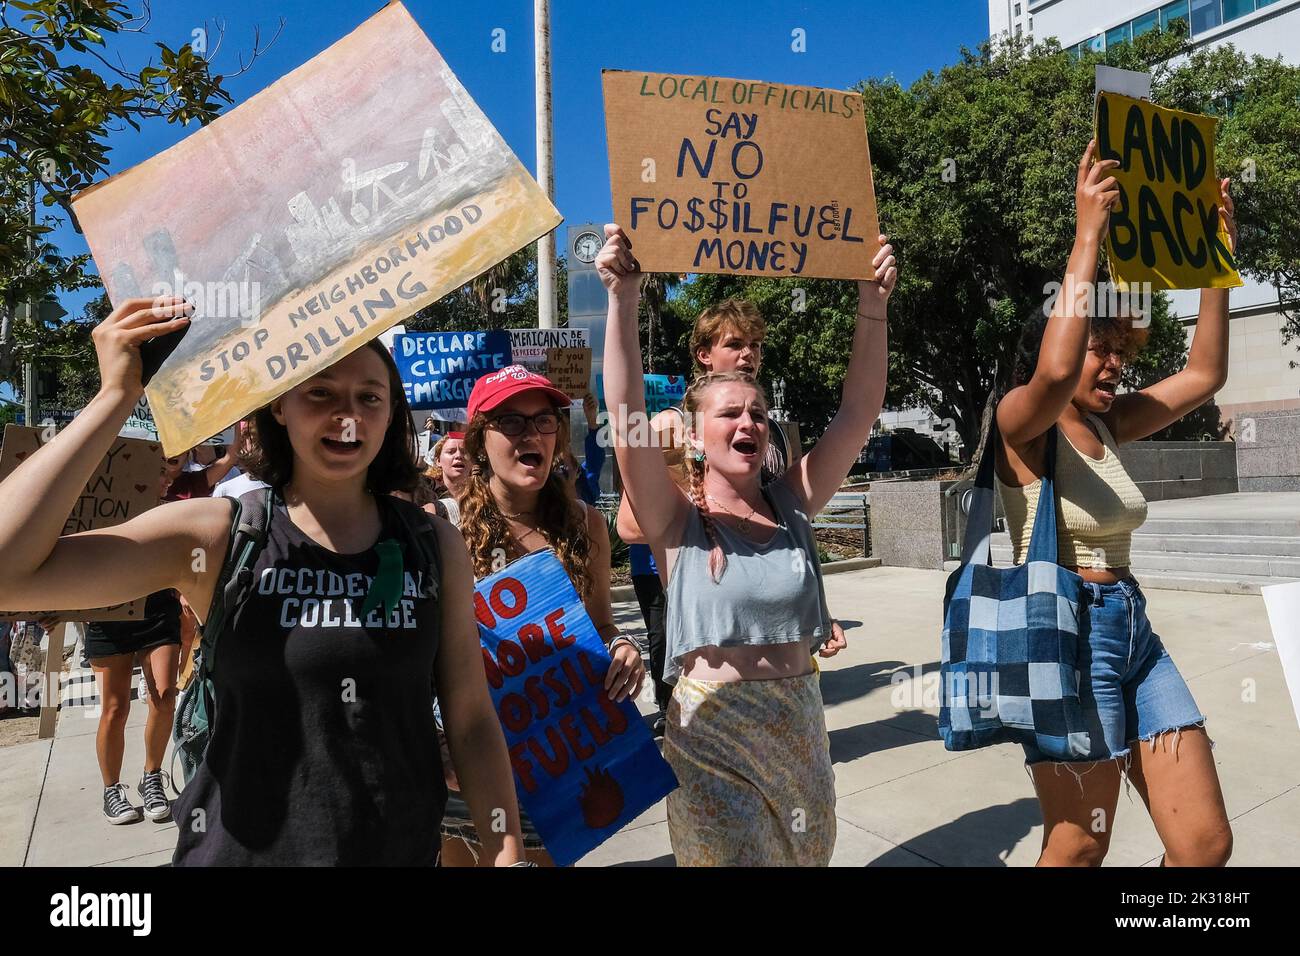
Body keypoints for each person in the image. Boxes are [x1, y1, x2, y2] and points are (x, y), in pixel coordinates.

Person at [0, 297, 525, 865]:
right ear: (280, 408)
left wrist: (506, 851)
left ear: (391, 412)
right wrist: (114, 397)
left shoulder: (433, 545)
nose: (347, 416)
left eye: (369, 398)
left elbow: (470, 717)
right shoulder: (219, 534)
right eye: (320, 393)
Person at [601, 222, 896, 865]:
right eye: (729, 413)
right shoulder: (674, 520)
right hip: (709, 735)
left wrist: (872, 305)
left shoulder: (793, 500)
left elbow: (859, 412)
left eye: (757, 413)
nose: (747, 422)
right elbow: (623, 417)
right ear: (695, 432)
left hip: (799, 727)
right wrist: (623, 296)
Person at [991, 142, 1234, 867]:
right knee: (1078, 849)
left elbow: (1205, 373)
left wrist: (1216, 263)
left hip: (1133, 634)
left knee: (1202, 846)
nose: (1114, 361)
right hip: (1066, 645)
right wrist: (1088, 233)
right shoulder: (1019, 424)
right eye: (1101, 345)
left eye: (1120, 349)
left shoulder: (1108, 422)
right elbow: (1058, 369)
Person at [437, 365, 646, 866]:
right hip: (462, 763)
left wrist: (621, 650)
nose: (532, 434)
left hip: (550, 759)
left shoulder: (587, 525)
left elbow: (599, 626)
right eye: (510, 422)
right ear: (477, 441)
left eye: (544, 420)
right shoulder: (440, 526)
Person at [425, 431, 468, 523]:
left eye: (464, 452)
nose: (459, 456)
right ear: (438, 461)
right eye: (451, 452)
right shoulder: (423, 495)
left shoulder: (486, 495)